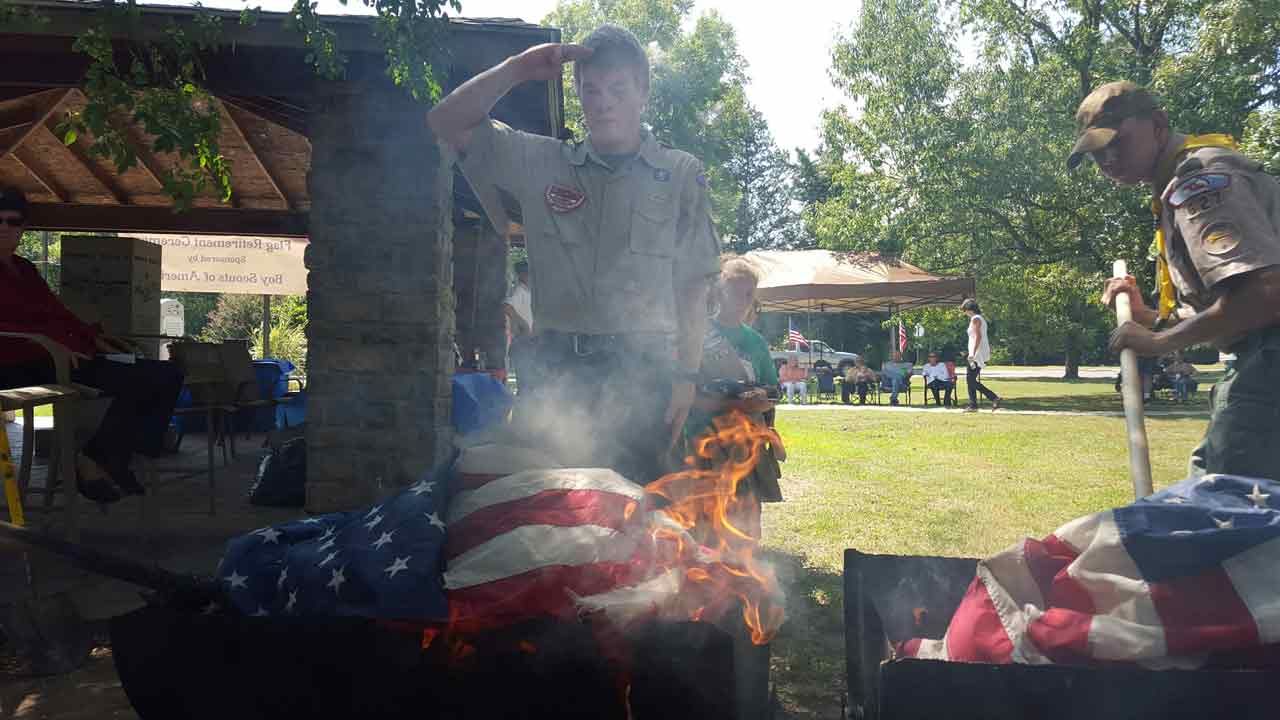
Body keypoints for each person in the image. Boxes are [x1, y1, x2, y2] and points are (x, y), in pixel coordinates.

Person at [427, 25, 721, 485]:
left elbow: (693, 284)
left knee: (637, 526)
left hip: (643, 374)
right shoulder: (541, 162)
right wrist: (519, 68)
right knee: (552, 524)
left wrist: (686, 376)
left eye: (618, 89)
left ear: (643, 92)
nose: (603, 102)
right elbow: (447, 122)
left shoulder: (680, 173)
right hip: (556, 372)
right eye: (591, 89)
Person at [1077, 82, 1280, 478]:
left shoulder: (1200, 180)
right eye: (1097, 151)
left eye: (1117, 142)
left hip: (1270, 361)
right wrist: (1151, 317)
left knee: (1225, 507)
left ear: (1158, 123)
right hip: (1259, 355)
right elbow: (1235, 311)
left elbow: (1264, 294)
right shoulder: (1179, 186)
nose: (1107, 158)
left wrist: (1158, 342)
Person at [0, 187, 184, 503]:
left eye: (12, 221)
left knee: (168, 374)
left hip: (57, 358)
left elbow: (58, 314)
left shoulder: (26, 269)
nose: (4, 227)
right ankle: (102, 461)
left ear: (22, 228)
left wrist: (93, 336)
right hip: (16, 365)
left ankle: (106, 457)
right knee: (139, 381)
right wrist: (47, 344)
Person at [687, 257, 784, 537]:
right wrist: (730, 402)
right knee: (704, 514)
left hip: (746, 440)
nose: (745, 300)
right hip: (704, 437)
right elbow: (685, 395)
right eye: (738, 292)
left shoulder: (755, 341)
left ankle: (745, 570)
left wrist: (759, 396)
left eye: (750, 294)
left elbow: (772, 391)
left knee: (746, 512)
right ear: (719, 292)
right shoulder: (698, 335)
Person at [960, 299, 1001, 412]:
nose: (965, 313)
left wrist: (972, 353)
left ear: (969, 309)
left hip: (977, 353)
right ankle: (973, 405)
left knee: (971, 380)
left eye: (965, 310)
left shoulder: (976, 319)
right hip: (976, 351)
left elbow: (978, 337)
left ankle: (993, 397)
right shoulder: (978, 318)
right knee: (970, 379)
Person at [503, 260, 534, 393]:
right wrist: (523, 323)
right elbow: (507, 307)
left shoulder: (529, 292)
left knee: (531, 383)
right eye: (528, 273)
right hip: (523, 343)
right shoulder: (519, 290)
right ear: (522, 274)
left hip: (531, 344)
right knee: (525, 385)